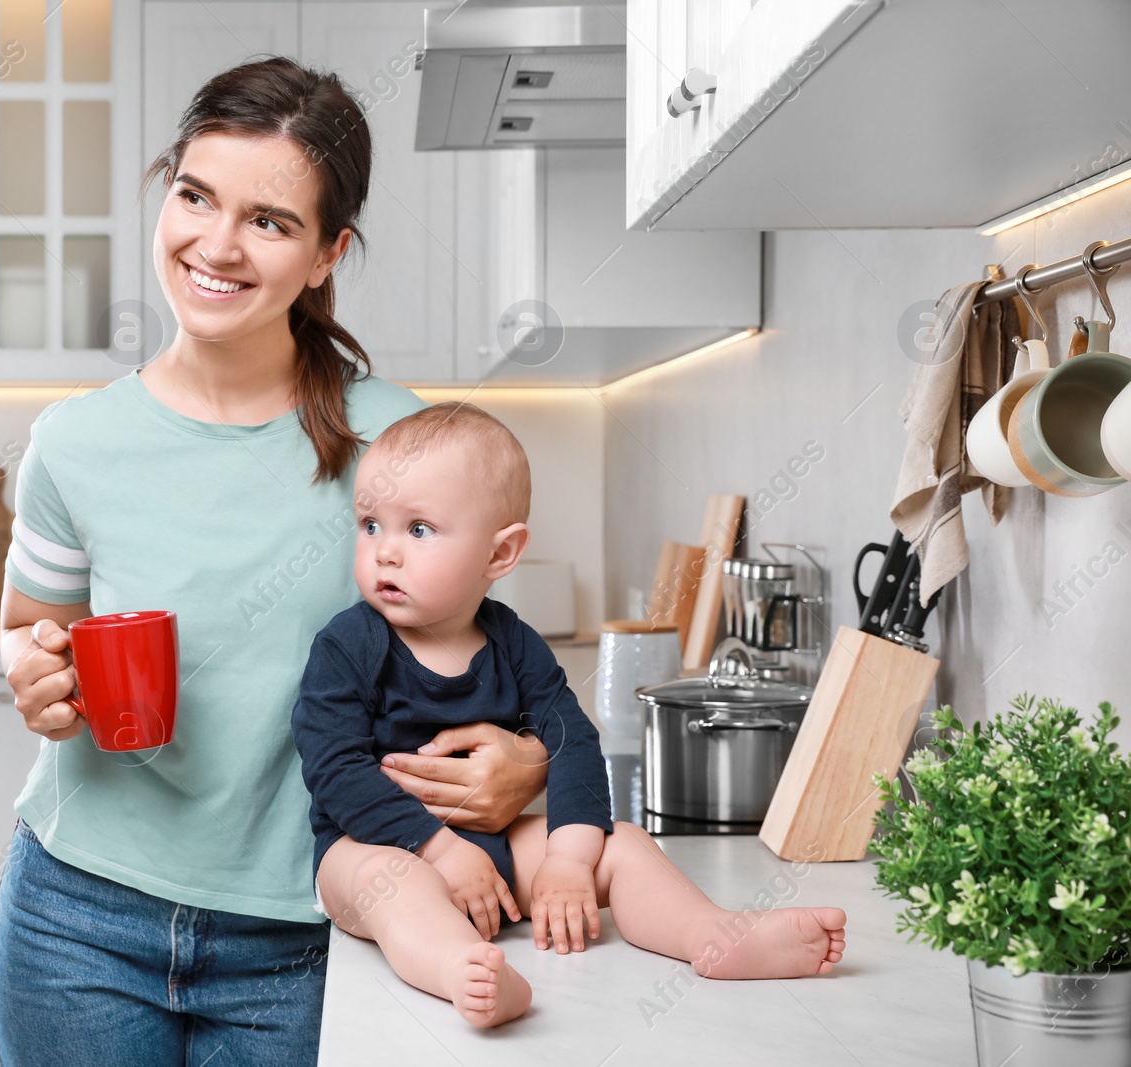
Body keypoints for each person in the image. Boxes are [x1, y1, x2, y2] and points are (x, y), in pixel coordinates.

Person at [0, 58, 550, 1066]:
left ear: (328, 252)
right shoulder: (73, 442)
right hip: (75, 920)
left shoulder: (398, 443)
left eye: (269, 221)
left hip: (309, 932)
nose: (216, 243)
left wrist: (526, 763)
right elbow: (32, 627)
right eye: (195, 195)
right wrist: (33, 672)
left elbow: (477, 666)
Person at [295, 402, 850, 1028]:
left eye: (418, 529)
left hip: (499, 854)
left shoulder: (515, 642)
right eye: (371, 525)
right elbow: (335, 770)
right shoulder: (347, 647)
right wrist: (442, 853)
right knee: (393, 882)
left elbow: (573, 743)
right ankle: (460, 969)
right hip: (372, 853)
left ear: (501, 554)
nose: (385, 552)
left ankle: (711, 934)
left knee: (626, 845)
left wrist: (565, 861)